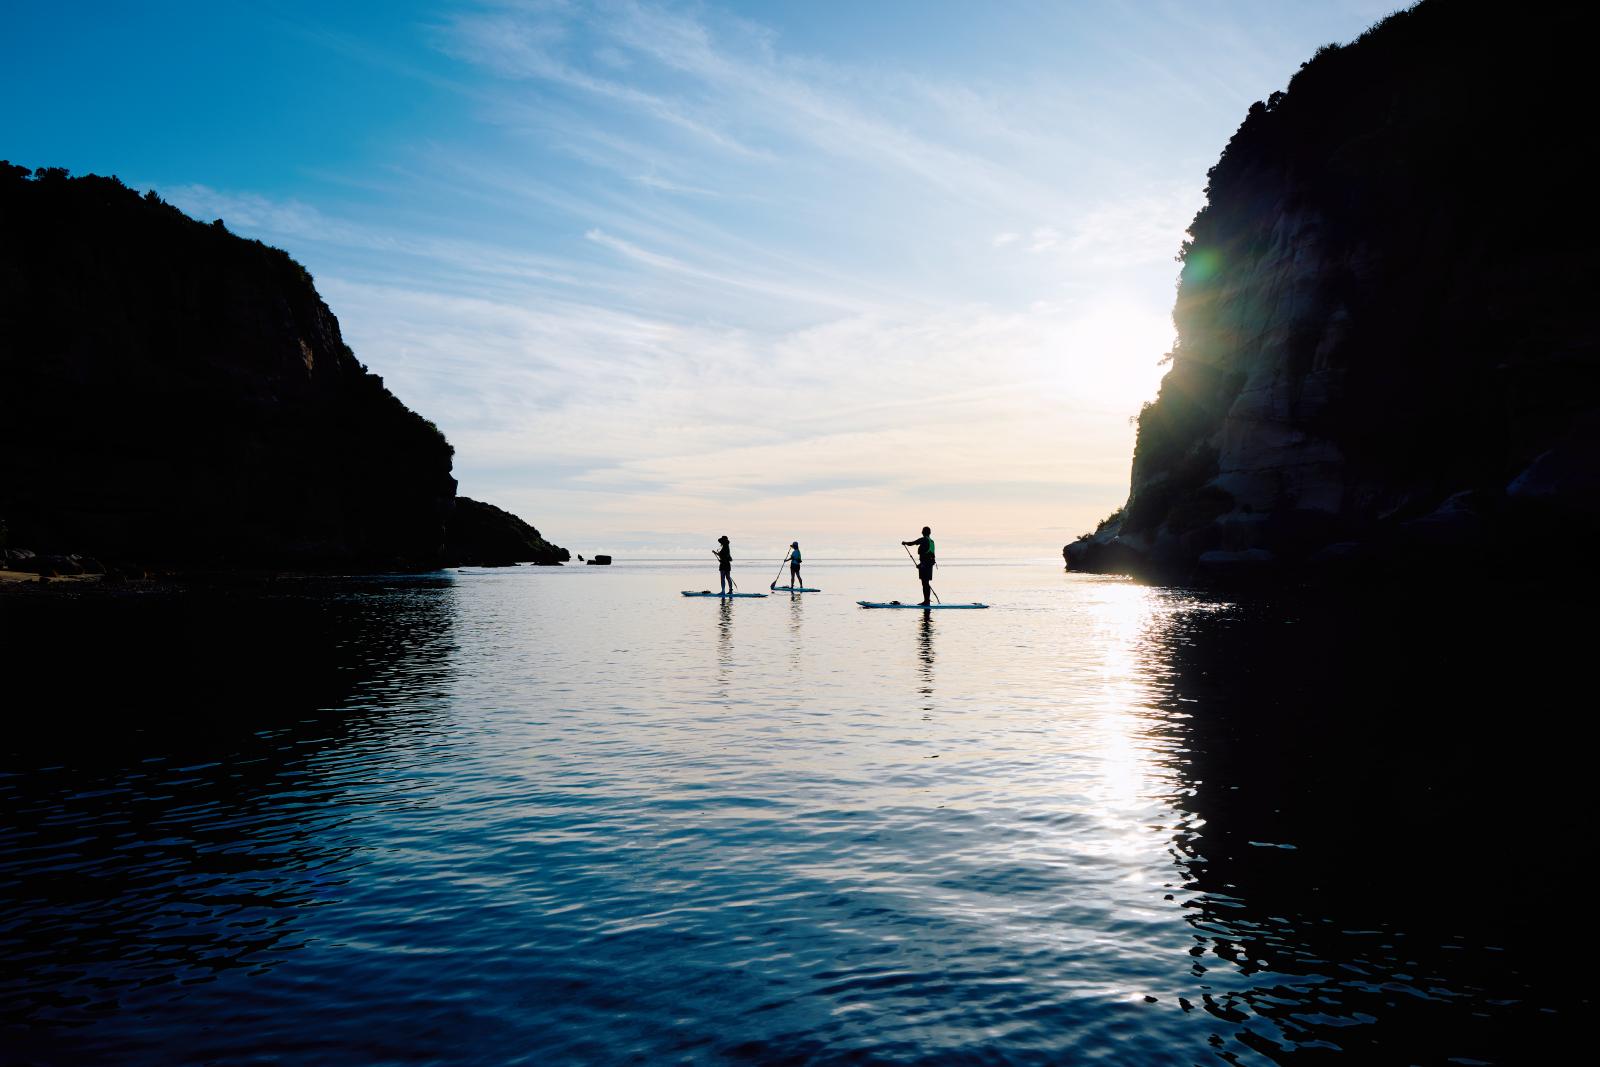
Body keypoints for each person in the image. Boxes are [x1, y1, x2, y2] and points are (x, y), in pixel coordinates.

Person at [901, 526, 936, 606]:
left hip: (925, 565)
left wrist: (905, 543)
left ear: (923, 532)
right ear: (930, 533)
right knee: (926, 583)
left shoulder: (923, 539)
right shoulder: (932, 541)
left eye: (922, 531)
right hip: (929, 565)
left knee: (924, 583)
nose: (922, 532)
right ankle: (927, 601)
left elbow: (912, 543)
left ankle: (926, 601)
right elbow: (932, 555)